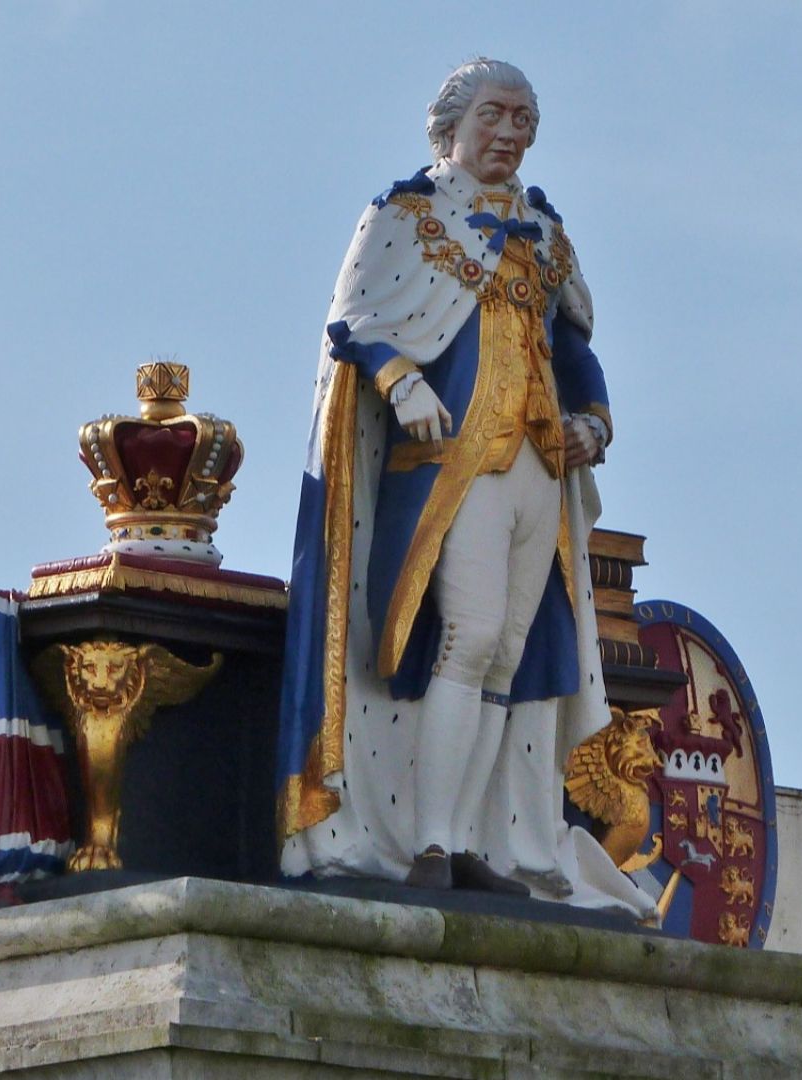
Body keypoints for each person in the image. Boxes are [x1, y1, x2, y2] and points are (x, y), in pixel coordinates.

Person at [277, 58, 652, 916]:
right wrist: (402, 383)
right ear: (449, 125)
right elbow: (359, 324)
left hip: (537, 465)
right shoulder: (407, 216)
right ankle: (432, 840)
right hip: (454, 463)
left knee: (509, 654)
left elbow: (573, 344)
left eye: (525, 118)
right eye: (495, 114)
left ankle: (478, 837)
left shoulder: (545, 231)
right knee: (470, 634)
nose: (512, 133)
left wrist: (594, 417)